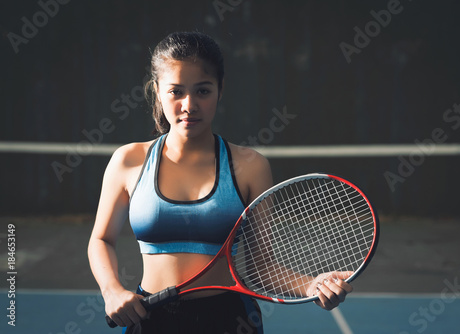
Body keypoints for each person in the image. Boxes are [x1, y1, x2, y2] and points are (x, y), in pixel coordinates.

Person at [87, 31, 352, 334]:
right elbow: (101, 240)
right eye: (176, 91)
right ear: (157, 91)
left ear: (220, 90)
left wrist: (310, 285)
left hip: (230, 320)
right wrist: (111, 291)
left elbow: (261, 266)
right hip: (150, 317)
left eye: (202, 91)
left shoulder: (251, 167)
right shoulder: (128, 160)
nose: (189, 105)